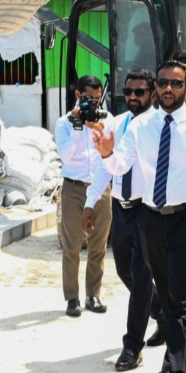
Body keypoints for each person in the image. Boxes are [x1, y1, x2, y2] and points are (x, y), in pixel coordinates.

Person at [93, 60, 186, 373]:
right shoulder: (140, 126)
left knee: (180, 296)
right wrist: (107, 153)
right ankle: (185, 359)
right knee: (168, 297)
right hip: (151, 218)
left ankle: (169, 372)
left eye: (176, 83)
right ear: (157, 89)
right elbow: (121, 165)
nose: (169, 88)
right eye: (164, 83)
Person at [84, 69, 166, 372]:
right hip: (121, 209)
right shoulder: (116, 124)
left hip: (148, 210)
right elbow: (104, 167)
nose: (132, 97)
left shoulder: (160, 126)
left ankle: (132, 346)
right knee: (124, 271)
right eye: (128, 91)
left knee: (141, 277)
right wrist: (90, 203)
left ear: (153, 94)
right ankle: (163, 313)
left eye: (139, 92)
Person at [55, 75, 113, 317]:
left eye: (98, 98)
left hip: (100, 188)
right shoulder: (64, 123)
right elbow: (65, 156)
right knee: (71, 246)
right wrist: (79, 128)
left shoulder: (107, 120)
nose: (94, 103)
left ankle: (93, 295)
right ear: (78, 95)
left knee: (99, 245)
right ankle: (72, 298)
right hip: (73, 188)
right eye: (89, 98)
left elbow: (110, 153)